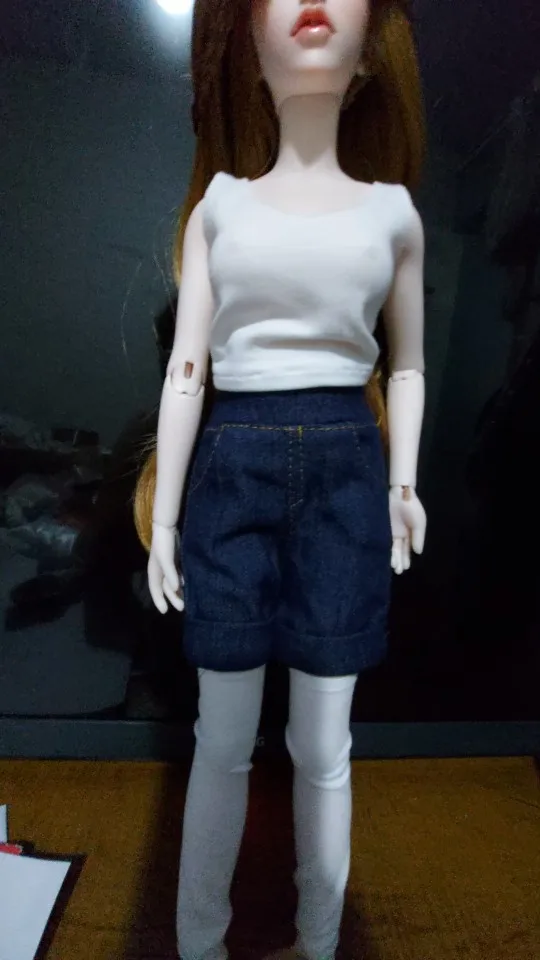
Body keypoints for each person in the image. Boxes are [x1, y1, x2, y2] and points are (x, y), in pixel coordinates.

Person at [134, 2, 427, 958]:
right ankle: (199, 943)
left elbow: (408, 366)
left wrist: (403, 484)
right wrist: (165, 518)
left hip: (350, 473)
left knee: (323, 746)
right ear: (246, 49)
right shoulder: (221, 206)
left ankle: (317, 941)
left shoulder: (393, 212)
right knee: (220, 739)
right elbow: (188, 368)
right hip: (232, 467)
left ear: (372, 53)